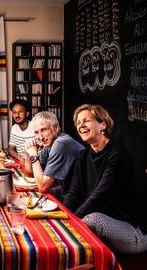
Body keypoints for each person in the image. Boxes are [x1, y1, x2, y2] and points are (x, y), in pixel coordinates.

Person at [63, 104, 147, 254]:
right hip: (101, 231)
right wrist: (62, 217)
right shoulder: (83, 156)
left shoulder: (117, 155)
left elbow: (100, 197)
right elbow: (73, 193)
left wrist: (71, 223)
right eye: (78, 122)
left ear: (103, 124)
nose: (80, 125)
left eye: (86, 121)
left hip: (132, 232)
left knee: (93, 220)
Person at [24, 111, 84, 199]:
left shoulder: (61, 143)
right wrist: (27, 153)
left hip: (82, 196)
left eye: (44, 130)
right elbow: (31, 174)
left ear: (56, 128)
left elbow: (43, 187)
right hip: (68, 190)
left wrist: (33, 155)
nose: (40, 137)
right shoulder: (49, 143)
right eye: (36, 133)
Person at [8, 99, 34, 164]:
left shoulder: (35, 127)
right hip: (22, 163)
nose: (17, 115)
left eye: (21, 112)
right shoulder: (14, 128)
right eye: (14, 112)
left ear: (27, 114)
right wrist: (20, 158)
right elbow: (11, 150)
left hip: (34, 163)